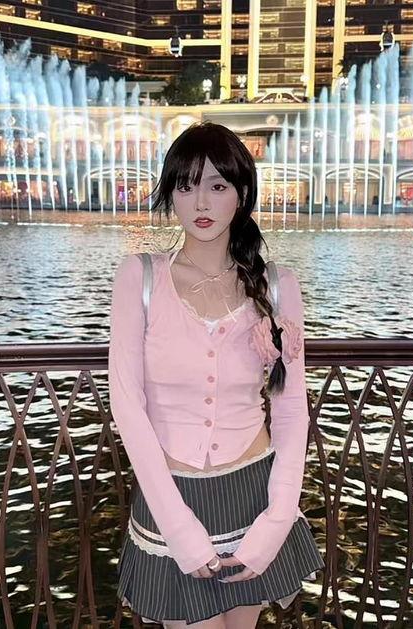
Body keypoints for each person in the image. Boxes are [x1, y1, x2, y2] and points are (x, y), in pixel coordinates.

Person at [108, 121, 324, 628]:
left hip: (253, 495)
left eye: (217, 185)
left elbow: (291, 409)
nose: (201, 202)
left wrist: (276, 520)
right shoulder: (140, 278)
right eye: (186, 186)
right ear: (170, 194)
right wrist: (180, 529)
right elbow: (127, 405)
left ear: (242, 193)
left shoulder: (277, 285)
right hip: (172, 496)